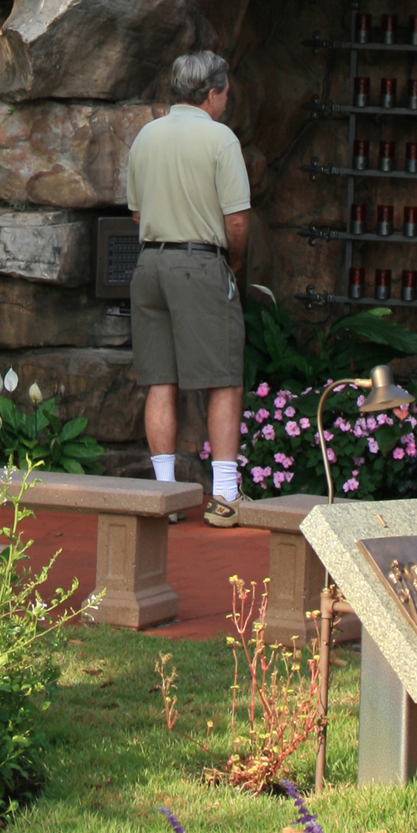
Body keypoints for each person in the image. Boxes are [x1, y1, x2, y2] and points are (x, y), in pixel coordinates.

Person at [125, 49, 251, 527]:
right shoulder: (221, 140)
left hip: (149, 265)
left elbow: (137, 214)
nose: (225, 103)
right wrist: (232, 267)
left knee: (161, 379)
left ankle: (165, 499)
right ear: (212, 93)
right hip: (199, 264)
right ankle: (223, 497)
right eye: (225, 95)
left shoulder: (145, 136)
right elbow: (236, 220)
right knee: (223, 377)